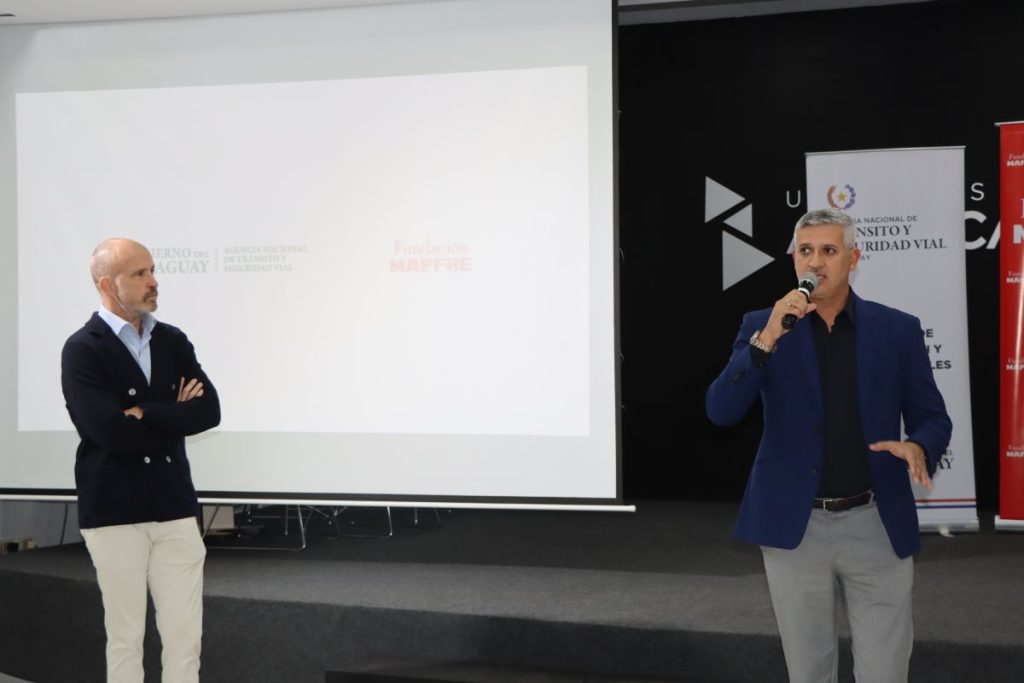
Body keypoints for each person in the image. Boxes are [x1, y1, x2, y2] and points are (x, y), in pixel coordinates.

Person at [705, 208, 951, 682]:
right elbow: (721, 410)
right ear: (794, 259)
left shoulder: (897, 329)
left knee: (885, 672)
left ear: (853, 259)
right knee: (809, 671)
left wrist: (920, 446)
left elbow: (932, 417)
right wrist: (767, 338)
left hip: (876, 522)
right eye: (805, 250)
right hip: (795, 527)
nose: (815, 262)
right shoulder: (763, 325)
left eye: (828, 251)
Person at [61, 238, 220, 683]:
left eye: (152, 270)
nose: (153, 281)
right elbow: (109, 432)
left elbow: (209, 411)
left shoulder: (172, 340)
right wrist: (173, 412)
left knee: (186, 638)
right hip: (114, 511)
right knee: (126, 638)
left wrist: (144, 412)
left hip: (175, 508)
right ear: (107, 284)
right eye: (139, 274)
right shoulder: (83, 348)